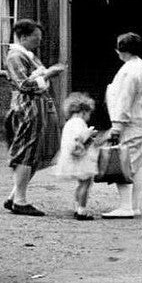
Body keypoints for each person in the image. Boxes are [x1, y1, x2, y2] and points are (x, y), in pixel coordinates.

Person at [3, 19, 63, 216]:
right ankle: (20, 200)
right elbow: (24, 85)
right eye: (36, 38)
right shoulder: (15, 56)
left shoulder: (26, 55)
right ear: (23, 37)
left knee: (35, 151)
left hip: (37, 106)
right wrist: (48, 74)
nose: (39, 42)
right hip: (28, 107)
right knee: (27, 151)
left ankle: (15, 196)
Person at [102, 32, 142, 220]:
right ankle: (134, 206)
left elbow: (124, 99)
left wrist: (117, 126)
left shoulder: (128, 71)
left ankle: (126, 207)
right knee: (139, 163)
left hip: (132, 122)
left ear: (120, 50)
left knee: (123, 164)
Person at [53, 92, 103, 220]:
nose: (88, 116)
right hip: (80, 160)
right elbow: (79, 138)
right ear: (84, 111)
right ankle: (81, 210)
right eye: (89, 113)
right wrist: (90, 133)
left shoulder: (69, 123)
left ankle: (77, 207)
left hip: (71, 158)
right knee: (85, 183)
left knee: (81, 184)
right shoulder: (78, 122)